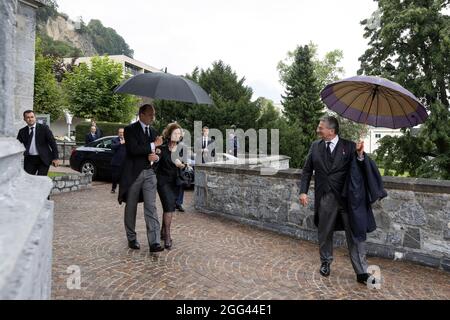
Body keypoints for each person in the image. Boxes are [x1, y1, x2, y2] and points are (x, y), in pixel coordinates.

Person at [298, 116, 373, 285]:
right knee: (325, 232)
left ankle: (361, 272)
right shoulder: (315, 147)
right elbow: (306, 170)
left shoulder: (350, 146)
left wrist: (360, 154)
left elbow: (360, 170)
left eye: (320, 127)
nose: (318, 130)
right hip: (325, 197)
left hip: (347, 199)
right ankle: (325, 262)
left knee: (354, 235)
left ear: (331, 130)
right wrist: (303, 191)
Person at [118, 104, 164, 253]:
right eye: (151, 114)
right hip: (133, 174)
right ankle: (132, 238)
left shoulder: (154, 131)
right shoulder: (129, 130)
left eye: (154, 114)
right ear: (141, 115)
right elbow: (133, 149)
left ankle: (155, 242)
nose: (153, 117)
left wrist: (156, 156)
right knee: (131, 206)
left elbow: (158, 151)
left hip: (150, 173)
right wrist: (153, 145)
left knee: (151, 206)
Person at [155, 123, 187, 249]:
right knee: (169, 207)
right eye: (175, 133)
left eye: (179, 134)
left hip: (176, 183)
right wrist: (156, 155)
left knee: (169, 207)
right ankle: (167, 236)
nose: (177, 135)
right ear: (169, 134)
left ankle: (162, 232)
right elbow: (155, 165)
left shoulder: (181, 149)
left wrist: (181, 165)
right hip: (163, 182)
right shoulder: (161, 148)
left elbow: (186, 164)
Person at [17, 110, 59, 176]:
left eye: (32, 117)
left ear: (35, 117)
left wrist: (55, 158)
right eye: (28, 117)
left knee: (41, 179)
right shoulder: (22, 131)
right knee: (28, 180)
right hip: (29, 160)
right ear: (24, 119)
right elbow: (17, 144)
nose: (30, 119)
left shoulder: (44, 128)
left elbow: (52, 143)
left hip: (43, 159)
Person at [110, 128, 126, 194]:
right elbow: (112, 147)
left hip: (125, 162)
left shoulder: (127, 140)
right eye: (120, 132)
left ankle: (123, 190)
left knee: (124, 177)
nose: (121, 134)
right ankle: (113, 188)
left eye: (122, 132)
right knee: (115, 177)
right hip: (116, 162)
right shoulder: (114, 140)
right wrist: (120, 143)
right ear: (118, 133)